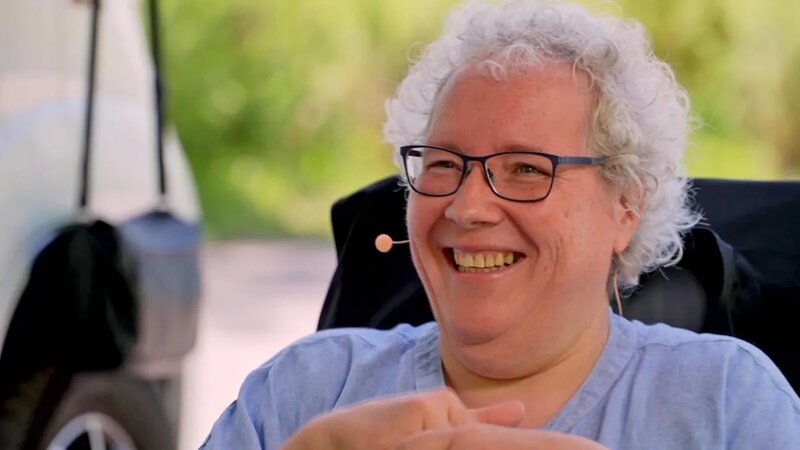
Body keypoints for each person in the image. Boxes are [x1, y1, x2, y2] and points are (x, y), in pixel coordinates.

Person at [201, 1, 800, 448]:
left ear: (627, 206)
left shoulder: (727, 401)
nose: (467, 208)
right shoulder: (303, 392)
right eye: (443, 164)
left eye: (526, 169)